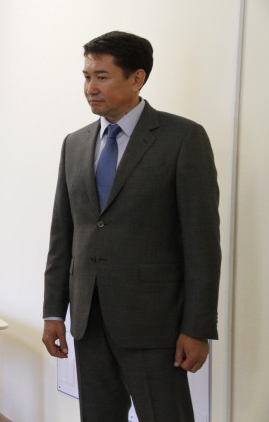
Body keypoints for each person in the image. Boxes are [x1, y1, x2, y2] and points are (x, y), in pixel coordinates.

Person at [42, 31, 221, 422]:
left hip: (155, 324)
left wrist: (197, 327)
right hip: (88, 320)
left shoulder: (183, 138)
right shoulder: (75, 143)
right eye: (86, 76)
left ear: (137, 78)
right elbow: (63, 235)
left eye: (102, 77)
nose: (90, 88)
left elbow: (202, 244)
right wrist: (53, 312)